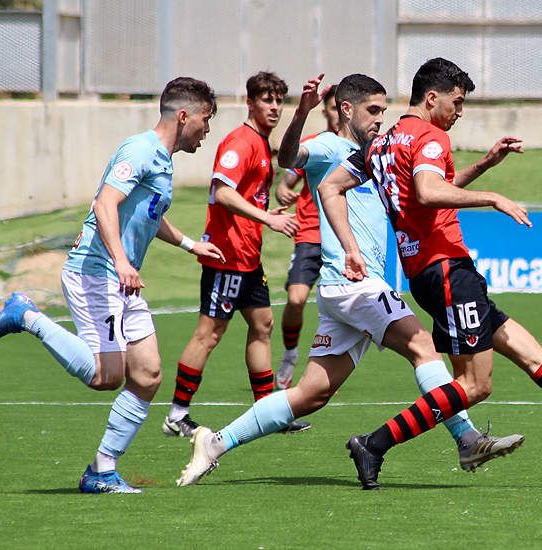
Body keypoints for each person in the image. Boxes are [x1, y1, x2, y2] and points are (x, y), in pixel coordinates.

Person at [319, 57, 542, 489]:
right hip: (447, 271)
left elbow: (332, 187)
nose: (460, 112)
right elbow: (429, 192)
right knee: (475, 385)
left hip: (434, 273)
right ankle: (373, 444)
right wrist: (493, 197)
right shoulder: (429, 136)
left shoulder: (385, 143)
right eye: (457, 102)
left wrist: (483, 165)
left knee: (535, 360)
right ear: (432, 98)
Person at [176, 73, 523, 487]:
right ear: (346, 109)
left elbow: (427, 191)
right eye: (372, 111)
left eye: (382, 110)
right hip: (353, 281)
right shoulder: (328, 147)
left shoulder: (376, 154)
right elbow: (288, 158)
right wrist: (302, 111)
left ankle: (214, 443)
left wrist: (484, 164)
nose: (379, 119)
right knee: (422, 346)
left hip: (347, 292)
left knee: (310, 394)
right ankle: (466, 438)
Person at [0, 77, 224, 493]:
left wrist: (189, 244)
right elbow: (104, 203)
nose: (207, 129)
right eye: (206, 119)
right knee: (105, 376)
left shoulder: (161, 159)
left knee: (146, 375)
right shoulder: (140, 149)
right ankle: (27, 316)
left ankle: (101, 470)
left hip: (121, 280)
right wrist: (123, 262)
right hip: (97, 272)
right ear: (184, 115)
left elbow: (147, 213)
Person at [161, 71, 311, 438]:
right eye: (267, 100)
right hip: (225, 256)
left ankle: (269, 413)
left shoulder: (261, 143)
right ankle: (177, 415)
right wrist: (267, 219)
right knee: (208, 335)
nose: (274, 107)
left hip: (248, 258)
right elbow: (221, 192)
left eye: (279, 100)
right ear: (250, 102)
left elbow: (248, 196)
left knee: (263, 324)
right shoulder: (240, 143)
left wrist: (266, 214)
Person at [273, 85, 339, 390]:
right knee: (297, 299)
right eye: (334, 107)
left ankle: (332, 366)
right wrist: (283, 191)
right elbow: (286, 182)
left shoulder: (359, 149)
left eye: (343, 106)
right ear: (325, 110)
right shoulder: (313, 146)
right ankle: (289, 355)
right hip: (311, 234)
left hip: (343, 238)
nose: (339, 113)